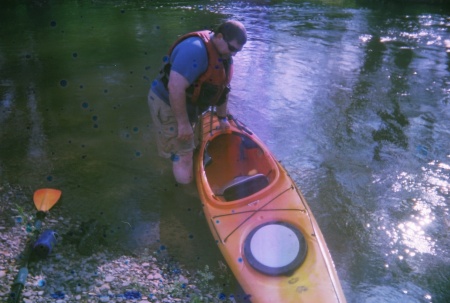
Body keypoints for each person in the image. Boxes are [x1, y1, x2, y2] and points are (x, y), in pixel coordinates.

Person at [148, 20, 247, 184]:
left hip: (189, 104)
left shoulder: (223, 54)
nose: (234, 54)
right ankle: (184, 196)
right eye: (232, 48)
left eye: (237, 51)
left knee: (194, 145)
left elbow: (223, 88)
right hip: (168, 102)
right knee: (183, 154)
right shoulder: (195, 51)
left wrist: (222, 118)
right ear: (220, 36)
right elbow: (175, 87)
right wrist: (183, 123)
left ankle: (185, 170)